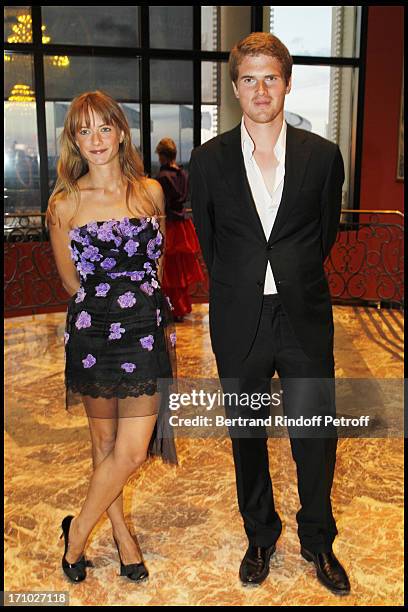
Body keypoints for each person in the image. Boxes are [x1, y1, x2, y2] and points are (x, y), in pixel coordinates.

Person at [189, 33, 350, 595]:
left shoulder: (322, 157)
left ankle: (318, 540)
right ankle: (260, 536)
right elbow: (211, 242)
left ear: (286, 82)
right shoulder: (207, 162)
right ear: (235, 89)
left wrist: (289, 275)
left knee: (315, 434)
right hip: (241, 320)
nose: (261, 89)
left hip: (303, 317)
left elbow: (321, 233)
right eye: (249, 79)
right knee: (247, 435)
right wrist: (246, 285)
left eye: (271, 77)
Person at [46, 90, 177, 584]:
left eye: (104, 128)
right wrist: (106, 311)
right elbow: (69, 282)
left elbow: (157, 268)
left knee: (133, 450)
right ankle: (123, 536)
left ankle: (76, 533)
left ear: (121, 132)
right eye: (84, 131)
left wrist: (142, 312)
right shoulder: (63, 204)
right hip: (94, 334)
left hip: (144, 333)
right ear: (74, 142)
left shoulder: (150, 193)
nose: (95, 139)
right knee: (103, 445)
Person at [155, 138, 205, 322]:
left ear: (161, 155)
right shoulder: (183, 173)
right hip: (183, 224)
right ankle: (180, 307)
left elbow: (160, 205)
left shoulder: (162, 177)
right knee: (179, 270)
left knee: (167, 270)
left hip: (168, 225)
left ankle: (170, 308)